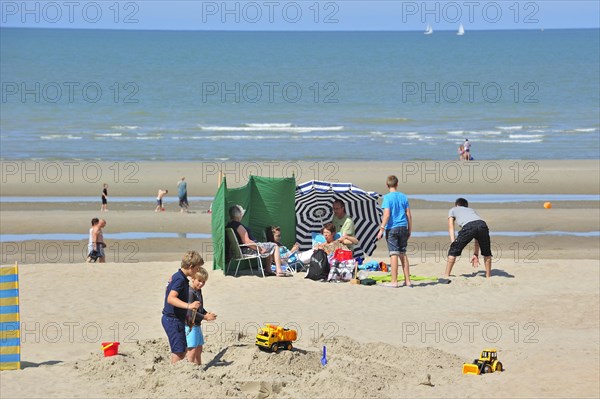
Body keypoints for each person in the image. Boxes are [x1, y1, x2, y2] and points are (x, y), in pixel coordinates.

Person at [161, 250, 202, 364]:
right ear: (190, 266)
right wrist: (189, 306)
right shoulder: (180, 279)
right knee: (179, 352)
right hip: (172, 319)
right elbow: (171, 298)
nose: (198, 271)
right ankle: (174, 375)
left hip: (175, 318)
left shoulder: (177, 276)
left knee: (181, 350)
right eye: (197, 268)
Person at [226, 205, 289, 277]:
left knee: (269, 246)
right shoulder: (238, 226)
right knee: (274, 246)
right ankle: (279, 271)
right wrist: (260, 248)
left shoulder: (230, 225)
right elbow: (247, 241)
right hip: (247, 249)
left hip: (239, 250)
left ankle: (268, 270)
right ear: (239, 215)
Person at [441, 198, 492, 281]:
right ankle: (488, 276)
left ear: (456, 205)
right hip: (482, 224)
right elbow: (477, 236)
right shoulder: (471, 210)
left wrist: (453, 242)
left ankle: (446, 275)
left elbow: (451, 226)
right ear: (466, 206)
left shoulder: (453, 209)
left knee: (453, 251)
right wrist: (475, 253)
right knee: (487, 253)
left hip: (469, 226)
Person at [376, 175, 412, 288]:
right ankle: (408, 280)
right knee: (403, 253)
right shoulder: (403, 197)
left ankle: (394, 281)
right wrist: (410, 229)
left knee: (394, 254)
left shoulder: (387, 198)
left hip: (392, 228)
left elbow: (386, 214)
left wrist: (381, 229)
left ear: (387, 185)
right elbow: (409, 215)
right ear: (397, 184)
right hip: (403, 227)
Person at [186, 267, 217, 365]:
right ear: (192, 279)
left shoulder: (198, 291)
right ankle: (189, 369)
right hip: (190, 325)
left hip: (197, 324)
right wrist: (205, 317)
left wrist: (205, 313)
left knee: (199, 348)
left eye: (204, 282)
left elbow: (199, 308)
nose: (201, 284)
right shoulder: (190, 292)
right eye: (199, 281)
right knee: (192, 349)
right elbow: (190, 312)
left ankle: (198, 367)